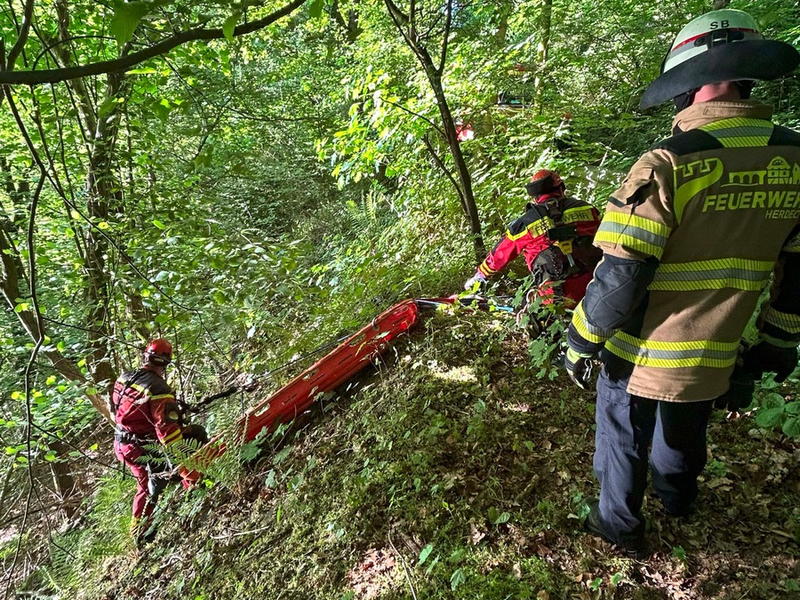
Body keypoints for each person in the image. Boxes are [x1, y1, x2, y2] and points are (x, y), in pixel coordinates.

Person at [563, 9, 800, 559]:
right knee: (686, 429)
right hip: (718, 346)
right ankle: (678, 499)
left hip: (642, 347)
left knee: (622, 430)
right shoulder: (794, 159)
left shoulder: (668, 163)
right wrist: (777, 343)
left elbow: (622, 274)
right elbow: (798, 274)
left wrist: (580, 340)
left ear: (690, 82)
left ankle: (618, 525)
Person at [464, 169, 602, 315]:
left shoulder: (524, 224)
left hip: (555, 299)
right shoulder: (588, 209)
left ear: (536, 197)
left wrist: (480, 276)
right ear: (561, 188)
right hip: (598, 289)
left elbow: (500, 255)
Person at [111, 338, 207, 544]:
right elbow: (168, 433)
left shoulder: (124, 377)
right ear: (166, 362)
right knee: (194, 437)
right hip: (141, 448)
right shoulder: (158, 388)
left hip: (122, 444)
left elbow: (120, 410)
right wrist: (184, 464)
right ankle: (195, 487)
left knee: (144, 486)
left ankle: (138, 532)